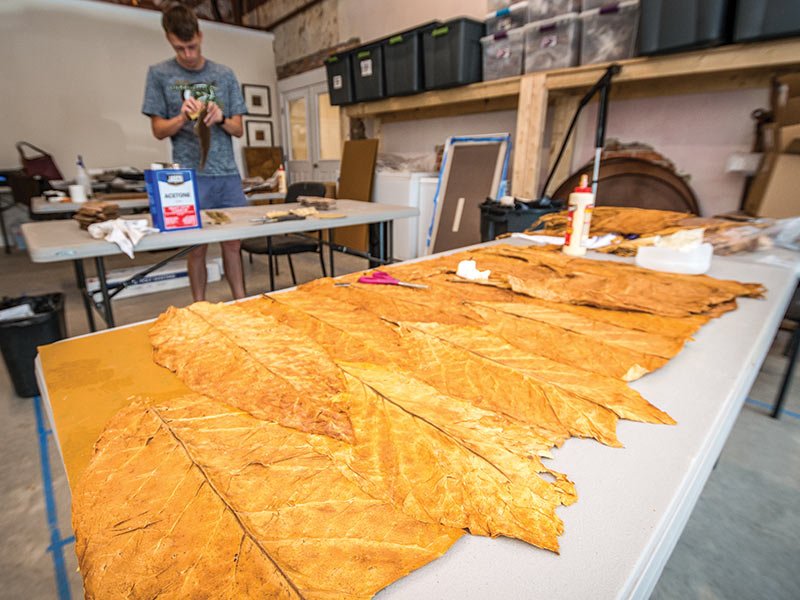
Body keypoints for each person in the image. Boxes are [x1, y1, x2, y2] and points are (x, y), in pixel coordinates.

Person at [142, 3, 247, 301]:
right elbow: (158, 130)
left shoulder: (224, 75)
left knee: (233, 244)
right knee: (196, 246)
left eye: (192, 46)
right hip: (187, 179)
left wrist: (221, 118)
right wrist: (181, 117)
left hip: (226, 174)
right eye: (180, 48)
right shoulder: (159, 75)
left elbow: (238, 129)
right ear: (169, 39)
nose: (188, 54)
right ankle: (199, 307)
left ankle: (241, 302)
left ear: (200, 36)